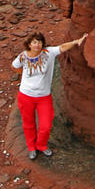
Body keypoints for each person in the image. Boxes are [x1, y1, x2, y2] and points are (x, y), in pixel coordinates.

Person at [11, 31, 87, 160]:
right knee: (28, 124)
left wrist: (76, 42)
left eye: (40, 42)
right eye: (34, 42)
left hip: (43, 97)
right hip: (26, 96)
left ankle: (41, 145)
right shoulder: (23, 56)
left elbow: (62, 47)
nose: (37, 44)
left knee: (45, 125)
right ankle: (31, 148)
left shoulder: (49, 53)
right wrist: (25, 75)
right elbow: (14, 66)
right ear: (29, 44)